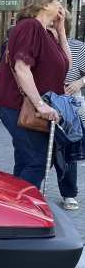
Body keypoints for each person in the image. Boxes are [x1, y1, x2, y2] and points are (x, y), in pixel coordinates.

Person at [0, 0, 71, 190]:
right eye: (56, 0)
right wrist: (40, 104)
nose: (59, 5)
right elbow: (21, 67)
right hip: (21, 104)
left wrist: (61, 31)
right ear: (44, 4)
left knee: (26, 158)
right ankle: (22, 211)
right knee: (36, 160)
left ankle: (14, 206)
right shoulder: (30, 27)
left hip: (30, 105)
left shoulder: (46, 32)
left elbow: (67, 64)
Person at [50, 12, 82, 210]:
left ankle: (69, 193)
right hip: (46, 101)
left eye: (54, 24)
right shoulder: (43, 45)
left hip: (70, 103)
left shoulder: (78, 46)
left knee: (69, 148)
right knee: (42, 149)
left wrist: (79, 82)